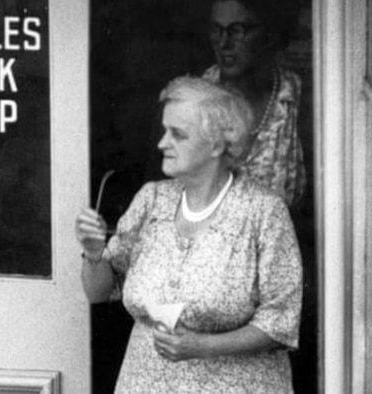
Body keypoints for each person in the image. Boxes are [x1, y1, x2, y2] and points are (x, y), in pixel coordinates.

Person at [75, 76, 302, 393]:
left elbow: (280, 324)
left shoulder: (263, 212)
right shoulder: (151, 200)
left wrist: (203, 346)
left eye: (177, 135)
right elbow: (99, 292)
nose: (161, 143)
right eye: (164, 131)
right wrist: (94, 253)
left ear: (217, 144)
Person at [203, 0, 306, 210]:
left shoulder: (298, 100)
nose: (224, 43)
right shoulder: (194, 101)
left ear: (270, 35)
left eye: (237, 30)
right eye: (217, 30)